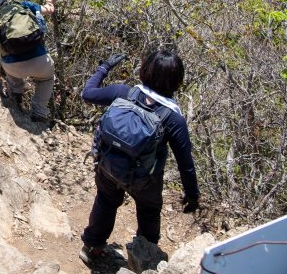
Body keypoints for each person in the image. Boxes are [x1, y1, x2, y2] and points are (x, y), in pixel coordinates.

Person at [79, 50, 200, 267]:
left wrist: (104, 67)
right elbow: (186, 164)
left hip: (108, 163)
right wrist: (192, 197)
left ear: (145, 70)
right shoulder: (173, 119)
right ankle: (144, 262)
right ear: (177, 81)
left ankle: (92, 248)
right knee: (149, 212)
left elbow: (87, 93)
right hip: (145, 179)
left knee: (106, 201)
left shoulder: (124, 93)